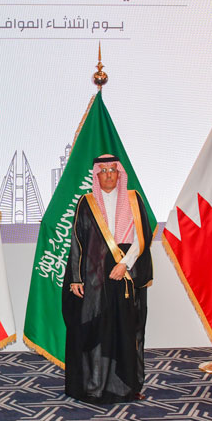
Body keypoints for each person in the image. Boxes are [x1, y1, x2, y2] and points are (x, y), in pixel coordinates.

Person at [63, 154, 154, 404]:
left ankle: (128, 386)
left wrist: (125, 264)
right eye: (103, 171)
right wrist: (76, 278)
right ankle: (94, 385)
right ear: (96, 175)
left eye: (112, 170)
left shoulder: (134, 199)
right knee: (97, 330)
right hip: (95, 278)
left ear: (119, 173)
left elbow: (142, 237)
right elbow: (77, 240)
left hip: (126, 275)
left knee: (127, 330)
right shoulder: (87, 202)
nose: (108, 175)